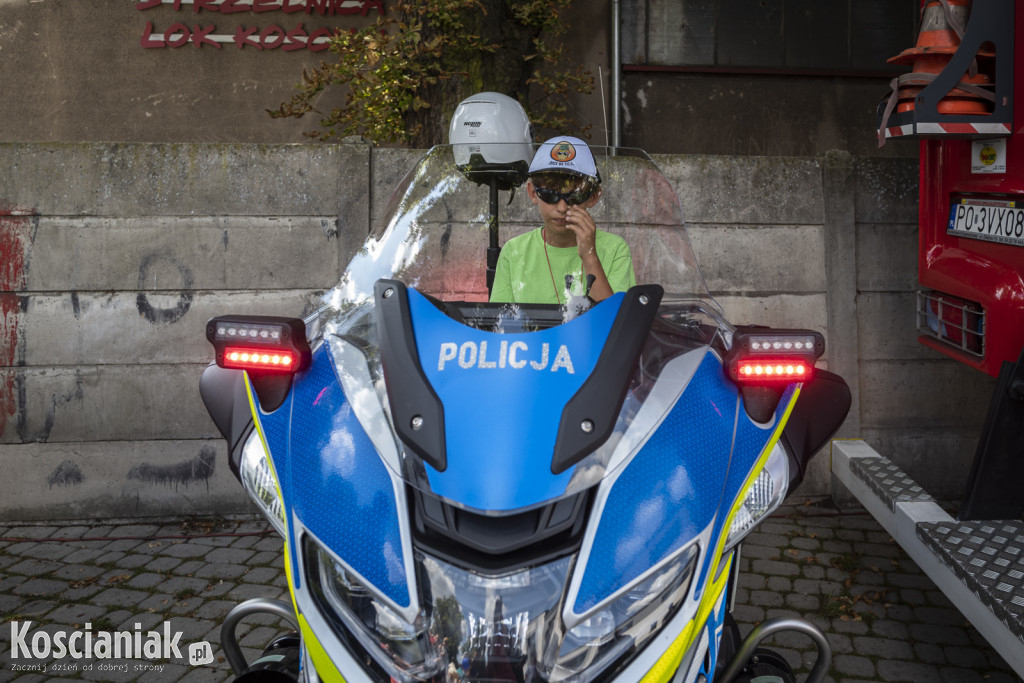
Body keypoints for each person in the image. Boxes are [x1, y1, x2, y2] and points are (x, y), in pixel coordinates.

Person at [489, 136, 635, 304]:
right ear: (532, 193)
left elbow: (613, 319)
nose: (562, 207)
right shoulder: (513, 251)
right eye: (550, 194)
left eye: (575, 196)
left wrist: (589, 254)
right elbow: (500, 323)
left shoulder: (615, 249)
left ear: (593, 197)